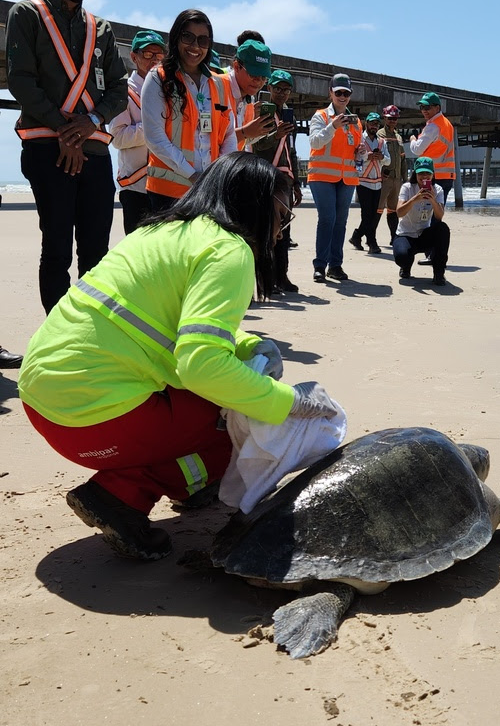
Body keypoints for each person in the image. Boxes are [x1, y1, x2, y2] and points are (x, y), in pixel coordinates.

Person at [18, 152, 339, 561]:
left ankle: (187, 481)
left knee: (234, 389)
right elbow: (202, 365)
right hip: (92, 421)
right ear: (255, 205)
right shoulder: (228, 250)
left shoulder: (158, 232)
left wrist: (243, 344)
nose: (280, 228)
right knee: (242, 420)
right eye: (281, 213)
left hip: (44, 403)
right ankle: (122, 495)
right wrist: (286, 404)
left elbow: (167, 321)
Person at [6, 0, 128, 312]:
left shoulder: (101, 29)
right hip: (47, 148)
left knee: (97, 251)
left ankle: (91, 336)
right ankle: (59, 338)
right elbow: (21, 81)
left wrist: (90, 123)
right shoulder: (27, 15)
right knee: (56, 247)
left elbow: (119, 90)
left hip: (93, 149)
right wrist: (67, 132)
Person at [141, 10, 238, 210]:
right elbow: (155, 138)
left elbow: (229, 134)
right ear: (176, 37)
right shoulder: (158, 78)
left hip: (208, 191)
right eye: (188, 37)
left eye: (203, 40)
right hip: (167, 193)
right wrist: (193, 175)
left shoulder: (220, 84)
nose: (195, 46)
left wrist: (219, 175)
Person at [251, 69, 303, 292]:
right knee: (266, 231)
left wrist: (298, 183)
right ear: (269, 88)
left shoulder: (287, 116)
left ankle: (281, 276)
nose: (282, 93)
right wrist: (277, 134)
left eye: (286, 89)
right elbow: (255, 144)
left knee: (284, 230)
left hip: (285, 180)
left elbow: (291, 152)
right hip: (266, 177)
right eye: (278, 88)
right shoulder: (262, 113)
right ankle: (266, 279)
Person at [307, 73, 362, 283]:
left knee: (340, 222)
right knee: (327, 219)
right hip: (322, 177)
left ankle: (335, 265)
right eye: (338, 92)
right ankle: (320, 265)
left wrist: (362, 152)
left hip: (347, 178)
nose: (342, 96)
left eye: (346, 93)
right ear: (330, 92)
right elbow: (315, 142)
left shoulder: (356, 122)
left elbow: (356, 149)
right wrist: (333, 126)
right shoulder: (320, 117)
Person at [109, 30, 166, 233]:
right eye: (148, 55)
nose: (154, 61)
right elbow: (118, 137)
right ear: (134, 57)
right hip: (136, 187)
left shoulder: (168, 91)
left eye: (159, 56)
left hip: (165, 185)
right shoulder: (124, 92)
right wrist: (154, 127)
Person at [393, 156, 450, 286]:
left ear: (433, 174)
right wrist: (415, 199)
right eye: (421, 173)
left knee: (442, 229)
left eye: (428, 173)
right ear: (415, 174)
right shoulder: (407, 188)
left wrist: (433, 200)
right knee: (402, 257)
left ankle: (439, 273)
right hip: (405, 234)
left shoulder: (438, 190)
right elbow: (399, 212)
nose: (424, 177)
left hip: (424, 234)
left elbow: (439, 216)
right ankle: (406, 267)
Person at [222, 39, 274, 150]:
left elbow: (244, 140)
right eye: (253, 75)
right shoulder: (217, 88)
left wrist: (258, 130)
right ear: (236, 67)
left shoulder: (250, 98)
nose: (259, 81)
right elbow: (209, 138)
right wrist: (245, 131)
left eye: (263, 77)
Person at [349, 112, 389, 254]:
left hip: (377, 182)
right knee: (367, 215)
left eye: (376, 124)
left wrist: (382, 157)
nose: (374, 126)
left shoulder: (382, 142)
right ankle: (372, 242)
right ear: (366, 124)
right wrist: (368, 156)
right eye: (372, 123)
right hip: (363, 182)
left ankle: (356, 236)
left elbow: (388, 161)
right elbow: (356, 158)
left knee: (373, 215)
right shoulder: (360, 139)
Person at [409, 91, 456, 204]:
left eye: (427, 107)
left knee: (427, 213)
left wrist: (412, 140)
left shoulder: (433, 126)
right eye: (422, 107)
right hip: (446, 176)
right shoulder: (447, 124)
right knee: (438, 211)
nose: (424, 110)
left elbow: (417, 149)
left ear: (437, 108)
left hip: (432, 176)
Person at [376, 104, 407, 246]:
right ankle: (365, 236)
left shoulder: (399, 137)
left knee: (393, 210)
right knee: (377, 209)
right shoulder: (379, 134)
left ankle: (394, 238)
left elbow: (403, 158)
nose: (392, 121)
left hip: (396, 179)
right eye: (390, 118)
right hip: (384, 178)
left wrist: (405, 179)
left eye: (394, 118)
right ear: (384, 118)